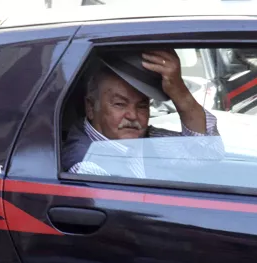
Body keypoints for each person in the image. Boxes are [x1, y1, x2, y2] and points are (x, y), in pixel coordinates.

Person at [62, 49, 225, 178]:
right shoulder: (88, 165)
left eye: (142, 106)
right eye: (119, 104)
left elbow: (208, 153)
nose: (132, 115)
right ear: (91, 107)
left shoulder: (143, 139)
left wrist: (179, 91)